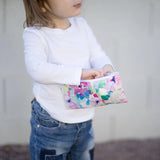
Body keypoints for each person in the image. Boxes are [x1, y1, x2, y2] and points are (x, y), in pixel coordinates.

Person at [22, 0, 114, 160]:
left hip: (84, 119)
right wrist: (79, 73)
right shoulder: (35, 33)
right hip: (52, 121)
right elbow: (37, 69)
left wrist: (106, 67)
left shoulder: (81, 25)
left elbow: (97, 55)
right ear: (42, 4)